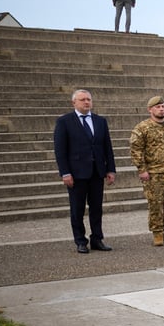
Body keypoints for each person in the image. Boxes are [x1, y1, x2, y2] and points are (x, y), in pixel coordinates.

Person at [54, 89, 116, 253]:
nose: (86, 102)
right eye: (82, 100)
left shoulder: (100, 121)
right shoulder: (65, 121)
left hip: (97, 172)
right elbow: (60, 150)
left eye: (88, 99)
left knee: (97, 208)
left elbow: (107, 147)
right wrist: (65, 172)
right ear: (74, 102)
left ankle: (97, 238)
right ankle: (80, 241)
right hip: (76, 173)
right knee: (77, 209)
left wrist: (110, 169)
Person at [128, 95, 164, 246]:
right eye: (158, 107)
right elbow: (136, 149)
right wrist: (141, 169)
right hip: (153, 172)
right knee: (155, 203)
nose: (161, 109)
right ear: (150, 109)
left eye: (163, 106)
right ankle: (157, 233)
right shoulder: (142, 127)